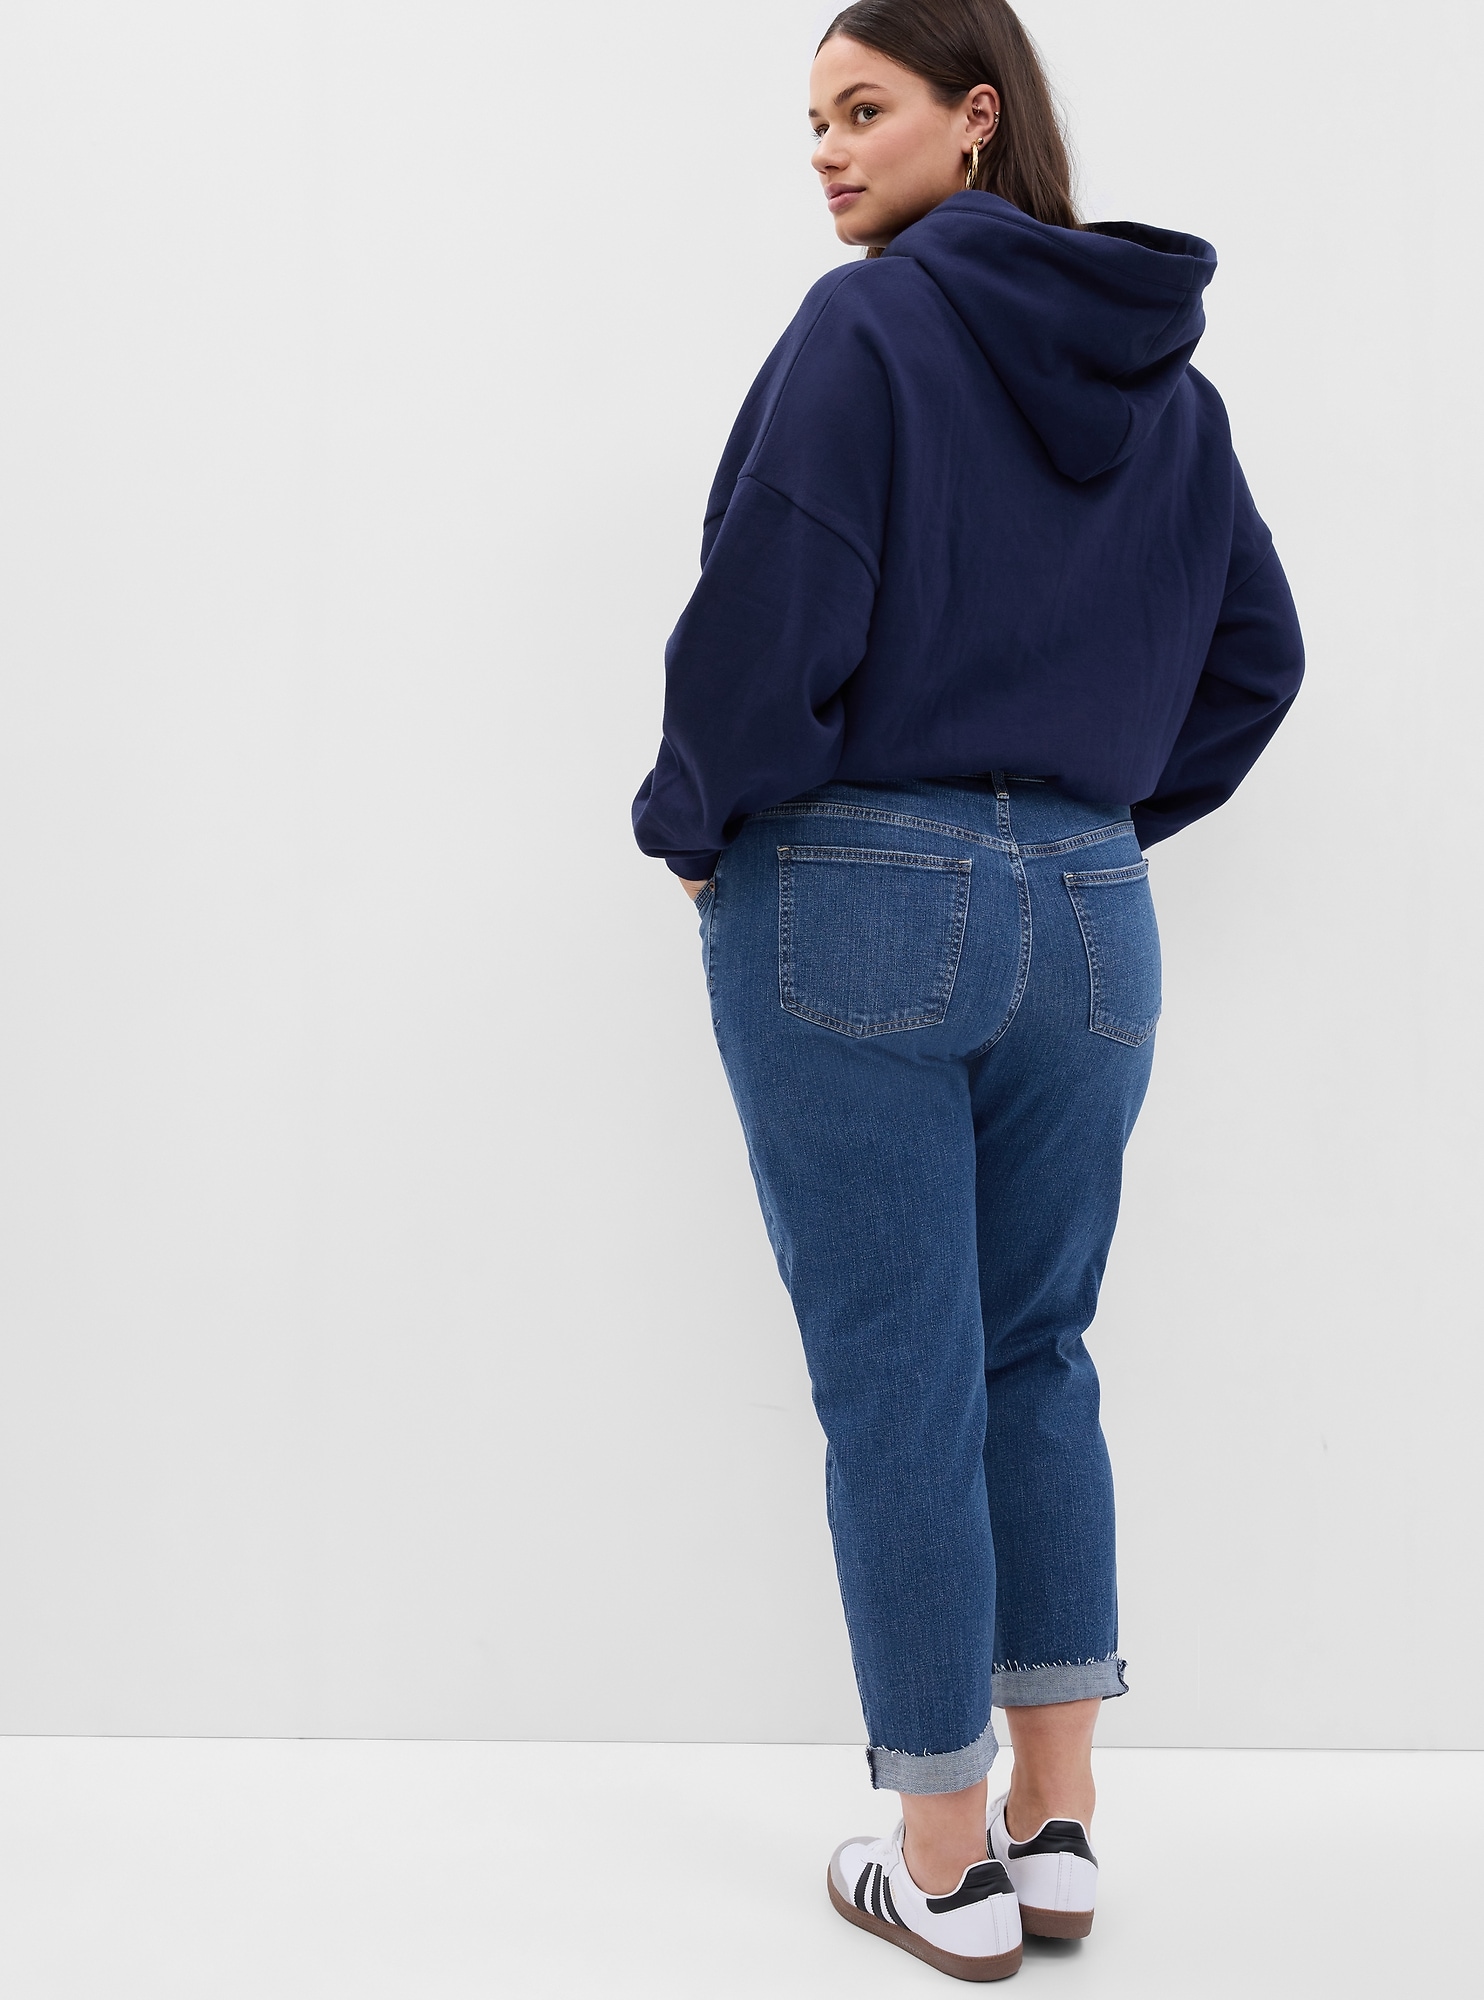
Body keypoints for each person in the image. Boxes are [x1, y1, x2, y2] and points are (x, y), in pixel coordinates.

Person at [632, 0, 1303, 1981]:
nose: (828, 150)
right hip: (1093, 908)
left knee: (899, 1379)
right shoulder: (1170, 388)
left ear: (976, 115)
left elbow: (768, 603)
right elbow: (1257, 659)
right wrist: (1084, 815)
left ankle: (939, 1854)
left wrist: (697, 817)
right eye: (814, 120)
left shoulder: (870, 329)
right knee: (1037, 1352)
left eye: (865, 108)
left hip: (854, 884)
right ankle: (1060, 1828)